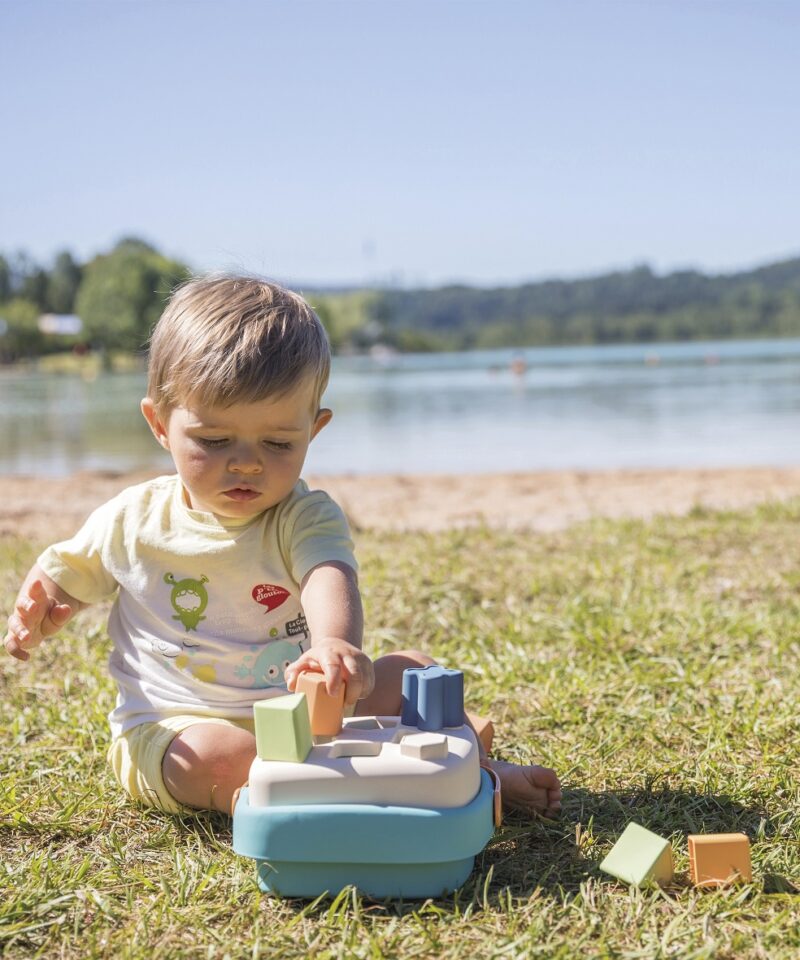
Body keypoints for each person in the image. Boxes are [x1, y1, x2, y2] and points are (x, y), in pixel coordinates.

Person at [4, 275, 561, 819]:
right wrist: (44, 605)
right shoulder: (132, 519)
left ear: (313, 431)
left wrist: (335, 646)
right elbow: (65, 573)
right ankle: (368, 788)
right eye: (214, 440)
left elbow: (327, 573)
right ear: (159, 424)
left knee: (414, 673)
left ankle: (481, 772)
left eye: (278, 442)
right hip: (176, 724)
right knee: (219, 759)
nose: (246, 462)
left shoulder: (303, 515)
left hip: (309, 712)